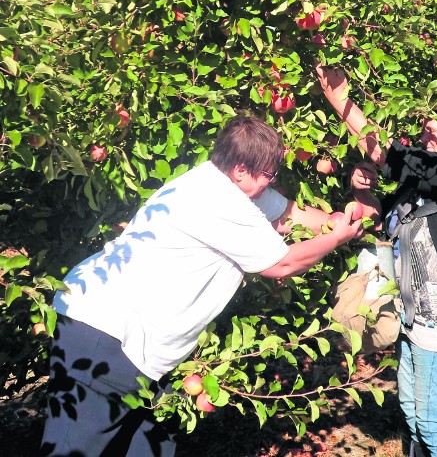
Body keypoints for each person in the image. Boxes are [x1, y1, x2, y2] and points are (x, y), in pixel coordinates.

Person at [40, 115, 364, 457]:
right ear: (240, 170)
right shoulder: (216, 198)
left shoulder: (229, 183)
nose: (273, 181)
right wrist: (336, 239)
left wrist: (331, 221)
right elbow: (282, 264)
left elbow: (287, 213)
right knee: (74, 449)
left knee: (149, 447)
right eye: (269, 174)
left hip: (138, 345)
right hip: (105, 334)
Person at [316, 63, 437, 457]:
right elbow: (381, 216)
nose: (426, 139)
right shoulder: (427, 179)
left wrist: (342, 102)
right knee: (413, 414)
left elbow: (390, 155)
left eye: (435, 132)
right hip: (416, 316)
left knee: (436, 424)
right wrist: (361, 185)